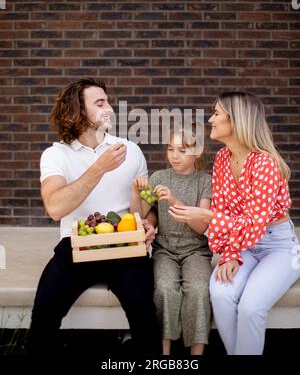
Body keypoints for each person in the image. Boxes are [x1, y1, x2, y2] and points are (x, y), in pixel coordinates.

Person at [27, 77, 161, 357]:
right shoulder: (56, 154)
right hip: (77, 246)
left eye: (108, 101)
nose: (110, 108)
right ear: (77, 110)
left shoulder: (130, 149)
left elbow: (146, 202)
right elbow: (54, 208)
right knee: (44, 313)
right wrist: (98, 168)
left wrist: (150, 223)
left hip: (126, 245)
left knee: (145, 315)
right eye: (100, 103)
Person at [171, 91, 300, 355]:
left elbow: (255, 221)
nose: (210, 119)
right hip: (243, 245)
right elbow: (224, 209)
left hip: (278, 246)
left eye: (217, 113)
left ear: (236, 120)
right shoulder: (222, 159)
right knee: (220, 293)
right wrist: (230, 254)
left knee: (251, 307)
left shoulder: (264, 163)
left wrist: (206, 217)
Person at [131, 124, 213, 356]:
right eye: (170, 149)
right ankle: (163, 353)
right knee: (165, 289)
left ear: (196, 152)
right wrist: (135, 192)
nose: (174, 156)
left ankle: (196, 354)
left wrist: (175, 201)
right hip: (164, 250)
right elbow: (139, 216)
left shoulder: (205, 182)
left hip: (196, 251)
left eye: (182, 150)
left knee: (198, 288)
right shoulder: (159, 177)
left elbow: (203, 227)